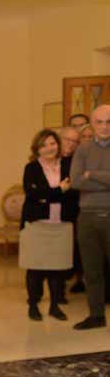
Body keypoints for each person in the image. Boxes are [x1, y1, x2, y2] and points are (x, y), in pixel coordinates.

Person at [21, 129, 75, 321]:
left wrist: (47, 194)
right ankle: (33, 305)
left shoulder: (68, 165)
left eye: (52, 143)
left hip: (62, 225)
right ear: (37, 149)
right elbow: (33, 194)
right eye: (44, 145)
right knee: (35, 268)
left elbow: (73, 193)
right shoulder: (31, 168)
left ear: (58, 145)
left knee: (57, 268)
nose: (49, 148)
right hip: (37, 225)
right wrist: (60, 190)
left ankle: (54, 306)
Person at [70, 104, 110, 330]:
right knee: (92, 270)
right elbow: (76, 181)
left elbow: (85, 179)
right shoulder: (83, 150)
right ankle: (96, 315)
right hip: (87, 217)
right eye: (99, 122)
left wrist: (91, 174)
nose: (104, 126)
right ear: (92, 124)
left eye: (109, 122)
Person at [58, 127, 84, 295]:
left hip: (75, 210)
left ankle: (78, 280)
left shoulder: (79, 160)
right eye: (68, 139)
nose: (71, 144)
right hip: (55, 212)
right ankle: (58, 288)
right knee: (59, 251)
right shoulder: (51, 159)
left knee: (76, 249)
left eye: (75, 141)